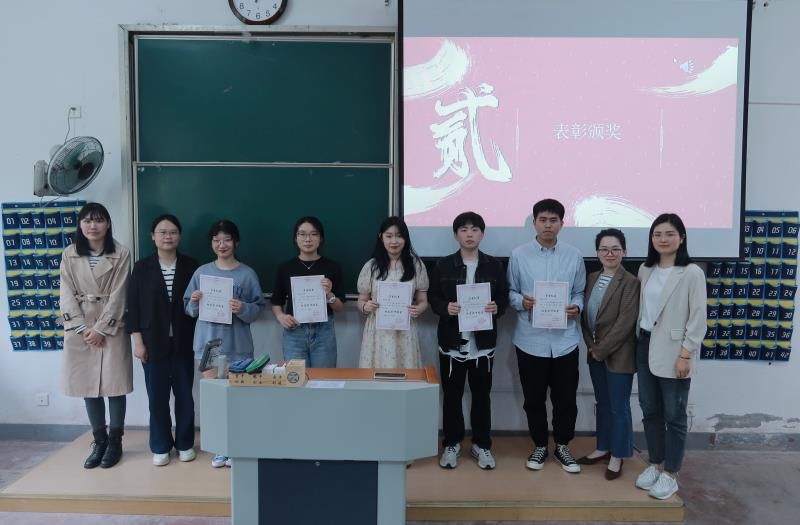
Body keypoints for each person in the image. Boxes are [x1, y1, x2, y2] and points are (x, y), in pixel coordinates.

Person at [507, 198, 586, 474]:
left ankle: (563, 445)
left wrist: (577, 306)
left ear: (562, 223)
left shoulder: (574, 255)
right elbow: (510, 291)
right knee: (533, 398)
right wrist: (521, 302)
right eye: (543, 220)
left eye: (553, 220)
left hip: (565, 341)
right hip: (530, 340)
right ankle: (540, 445)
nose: (548, 225)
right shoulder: (519, 255)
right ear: (534, 222)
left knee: (566, 399)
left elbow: (579, 291)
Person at [428, 212, 508, 470]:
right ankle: (451, 443)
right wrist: (445, 307)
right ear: (456, 235)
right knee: (452, 396)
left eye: (474, 229)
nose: (469, 234)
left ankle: (482, 444)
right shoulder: (443, 265)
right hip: (452, 341)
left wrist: (497, 307)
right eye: (464, 229)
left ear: (482, 234)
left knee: (482, 396)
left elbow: (504, 296)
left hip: (482, 343)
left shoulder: (494, 265)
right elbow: (433, 297)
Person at [634, 213, 706, 500]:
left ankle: (671, 473)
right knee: (650, 410)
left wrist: (686, 354)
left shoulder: (691, 272)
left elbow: (698, 318)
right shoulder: (645, 269)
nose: (662, 239)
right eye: (657, 234)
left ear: (681, 238)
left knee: (674, 415)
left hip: (675, 350)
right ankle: (655, 464)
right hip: (644, 344)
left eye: (669, 234)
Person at [183, 219, 266, 468]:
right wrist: (195, 300)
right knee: (214, 398)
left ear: (236, 242)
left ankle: (236, 445)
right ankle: (219, 447)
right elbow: (188, 308)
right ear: (211, 243)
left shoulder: (247, 274)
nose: (222, 245)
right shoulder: (202, 272)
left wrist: (243, 308)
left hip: (238, 345)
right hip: (209, 345)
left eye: (227, 240)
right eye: (217, 240)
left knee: (239, 398)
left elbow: (258, 308)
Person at [59, 202, 132, 469]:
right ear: (80, 225)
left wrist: (101, 328)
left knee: (115, 385)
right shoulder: (69, 254)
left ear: (108, 224)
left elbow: (120, 294)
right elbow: (65, 293)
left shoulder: (121, 253)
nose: (93, 226)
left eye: (99, 220)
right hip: (80, 328)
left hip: (110, 326)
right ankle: (99, 440)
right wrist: (81, 328)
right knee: (87, 385)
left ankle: (115, 441)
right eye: (88, 221)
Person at [127, 214, 199, 467]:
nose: (168, 236)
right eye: (162, 232)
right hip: (152, 342)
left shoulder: (192, 266)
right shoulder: (141, 267)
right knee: (157, 398)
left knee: (185, 396)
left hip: (184, 341)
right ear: (153, 236)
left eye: (173, 232)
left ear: (180, 236)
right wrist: (137, 342)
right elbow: (133, 307)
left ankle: (185, 443)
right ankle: (160, 445)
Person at [578, 228, 640, 480]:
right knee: (602, 403)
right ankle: (603, 447)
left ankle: (618, 454)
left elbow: (626, 322)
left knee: (618, 407)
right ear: (597, 253)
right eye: (604, 249)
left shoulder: (631, 282)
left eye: (615, 249)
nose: (610, 253)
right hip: (594, 352)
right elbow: (584, 317)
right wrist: (590, 346)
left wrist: (600, 350)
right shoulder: (592, 277)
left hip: (619, 355)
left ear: (624, 252)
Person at [271, 216, 345, 367]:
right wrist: (280, 316)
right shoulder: (285, 268)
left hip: (323, 332)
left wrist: (329, 294)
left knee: (324, 378)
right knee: (296, 377)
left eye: (313, 234)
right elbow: (276, 302)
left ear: (321, 238)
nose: (308, 239)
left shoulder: (332, 267)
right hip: (294, 332)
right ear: (296, 238)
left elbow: (339, 307)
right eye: (302, 234)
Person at [357, 216, 429, 368]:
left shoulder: (416, 265)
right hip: (378, 330)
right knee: (377, 371)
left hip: (405, 329)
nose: (394, 241)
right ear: (381, 237)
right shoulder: (371, 266)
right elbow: (361, 300)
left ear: (405, 238)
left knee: (406, 372)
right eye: (389, 236)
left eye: (399, 236)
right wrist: (365, 306)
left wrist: (419, 309)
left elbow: (423, 301)